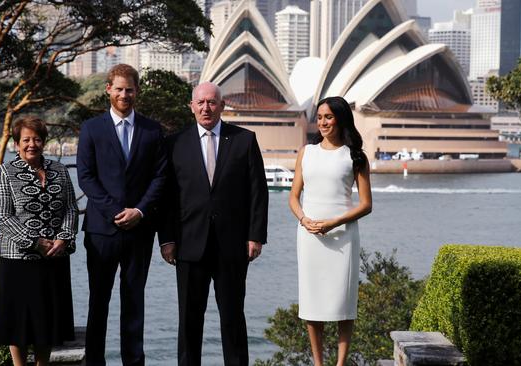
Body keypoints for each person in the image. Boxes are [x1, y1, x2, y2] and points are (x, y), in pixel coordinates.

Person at [158, 81, 268, 366]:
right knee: (189, 319)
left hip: (232, 246)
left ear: (222, 106)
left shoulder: (244, 140)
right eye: (201, 102)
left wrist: (255, 236)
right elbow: (167, 197)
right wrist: (167, 239)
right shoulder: (174, 143)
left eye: (212, 102)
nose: (206, 107)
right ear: (192, 107)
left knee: (232, 317)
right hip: (188, 245)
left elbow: (258, 192)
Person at [77, 64, 166, 366]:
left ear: (137, 91)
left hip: (140, 232)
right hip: (102, 230)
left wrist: (139, 211)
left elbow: (160, 177)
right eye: (119, 89)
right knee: (98, 302)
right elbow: (86, 178)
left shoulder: (153, 131)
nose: (124, 94)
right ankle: (94, 363)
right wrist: (118, 212)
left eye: (129, 89)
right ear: (108, 90)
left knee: (134, 303)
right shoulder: (91, 129)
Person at [288, 96, 373, 366]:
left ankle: (340, 363)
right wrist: (304, 220)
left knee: (343, 304)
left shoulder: (355, 156)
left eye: (329, 117)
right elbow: (293, 197)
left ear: (340, 119)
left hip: (343, 237)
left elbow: (366, 205)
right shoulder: (306, 152)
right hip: (310, 236)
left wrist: (332, 223)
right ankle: (318, 363)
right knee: (311, 301)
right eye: (320, 117)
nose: (323, 122)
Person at [0, 116, 78, 366]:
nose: (32, 144)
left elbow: (71, 208)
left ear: (43, 142)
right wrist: (35, 242)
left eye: (37, 139)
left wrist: (64, 238)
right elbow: (1, 215)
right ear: (16, 144)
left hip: (54, 258)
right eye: (26, 139)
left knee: (47, 321)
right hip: (18, 259)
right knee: (18, 321)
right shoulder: (4, 172)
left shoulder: (59, 170)